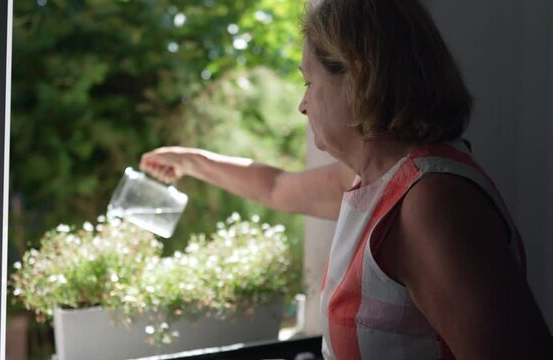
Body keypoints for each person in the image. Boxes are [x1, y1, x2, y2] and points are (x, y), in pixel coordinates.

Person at [139, 0, 553, 358]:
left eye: (309, 82)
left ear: (359, 79)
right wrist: (189, 161)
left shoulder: (431, 201)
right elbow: (276, 188)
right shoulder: (374, 180)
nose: (303, 105)